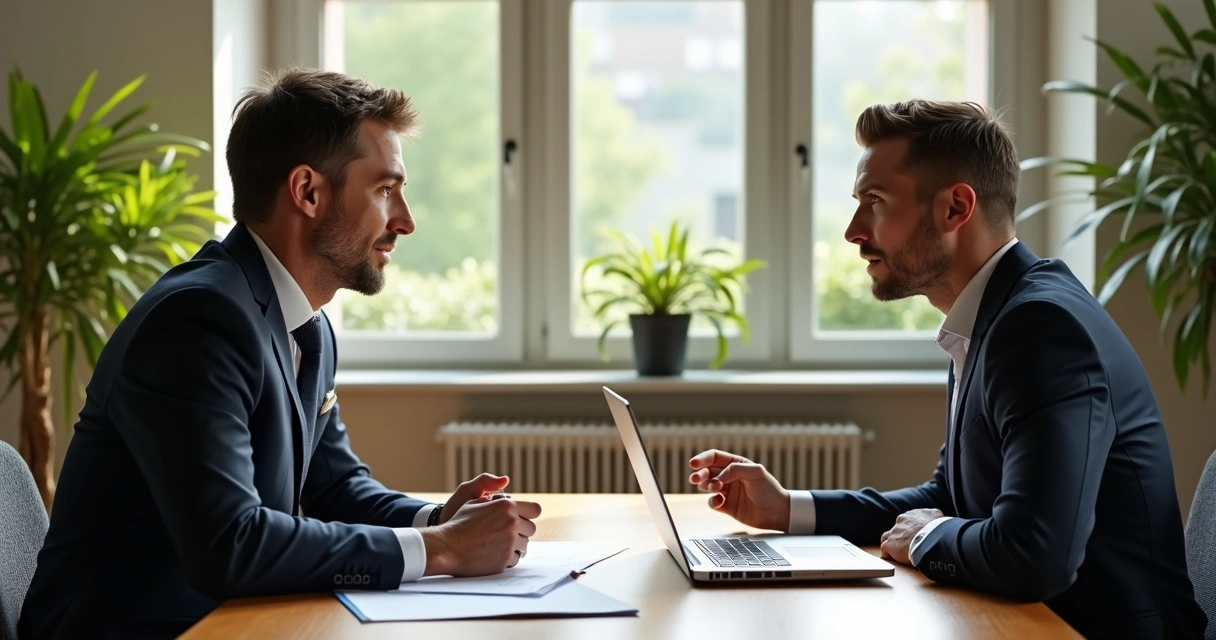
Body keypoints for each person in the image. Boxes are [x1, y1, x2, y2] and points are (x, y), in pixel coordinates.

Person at [18, 68, 541, 639]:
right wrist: (440, 549)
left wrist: (438, 519)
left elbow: (332, 487)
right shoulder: (197, 321)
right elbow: (231, 544)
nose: (405, 222)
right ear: (308, 192)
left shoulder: (304, 324)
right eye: (385, 190)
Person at [687, 100, 1207, 639]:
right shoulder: (990, 316)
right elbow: (951, 498)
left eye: (875, 201)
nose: (852, 230)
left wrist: (924, 539)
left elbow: (1034, 556)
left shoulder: (1040, 330)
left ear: (956, 208)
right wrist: (786, 508)